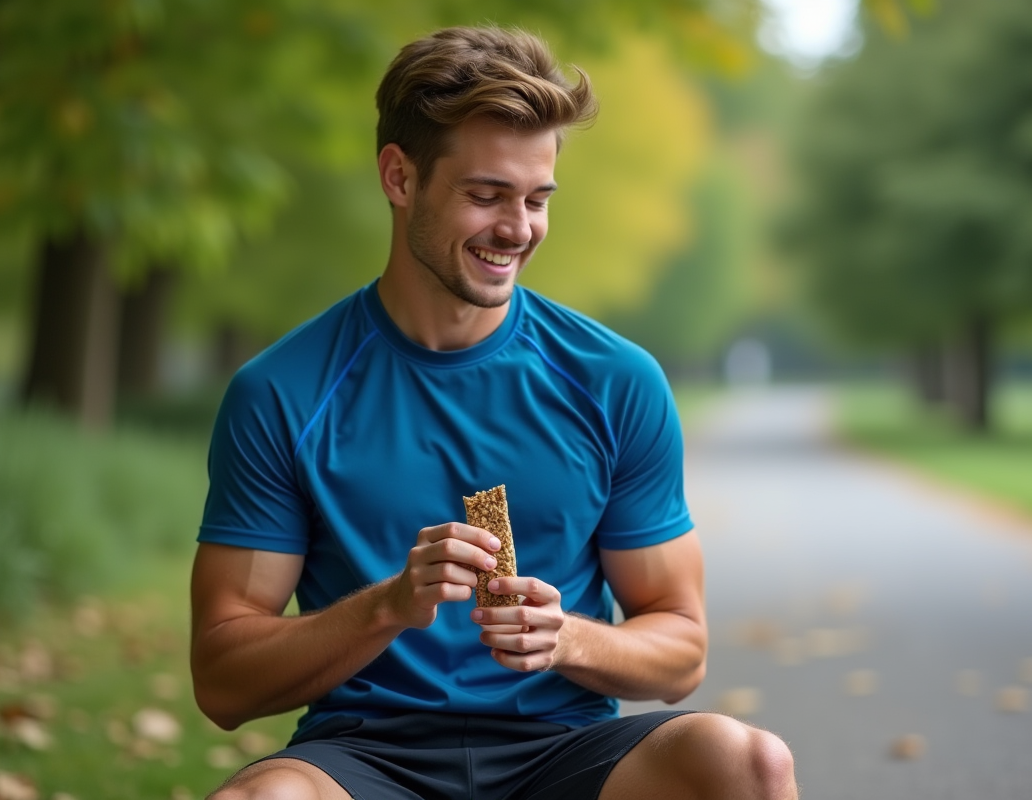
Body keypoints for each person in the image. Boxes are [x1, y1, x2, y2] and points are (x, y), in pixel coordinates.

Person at [191, 25, 798, 800]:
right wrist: (387, 607)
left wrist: (567, 637)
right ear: (399, 177)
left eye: (537, 199)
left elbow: (681, 650)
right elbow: (222, 680)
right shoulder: (282, 392)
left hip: (565, 752)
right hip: (368, 758)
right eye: (485, 196)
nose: (518, 229)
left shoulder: (614, 380)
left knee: (749, 763)